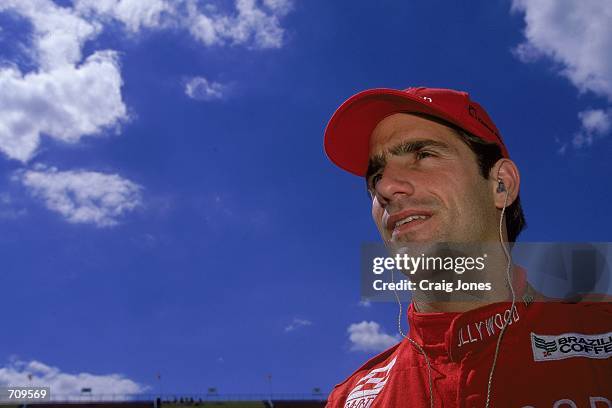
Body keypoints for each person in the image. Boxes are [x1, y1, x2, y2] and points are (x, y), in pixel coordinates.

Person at [323, 87, 611, 408]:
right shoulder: (349, 399)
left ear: (501, 184)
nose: (385, 187)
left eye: (423, 155)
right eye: (376, 175)